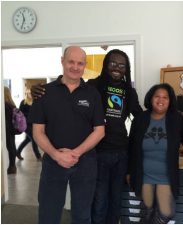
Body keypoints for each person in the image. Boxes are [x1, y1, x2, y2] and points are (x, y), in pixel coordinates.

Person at [32, 49, 143, 223]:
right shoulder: (93, 86)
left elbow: (138, 117)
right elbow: (38, 129)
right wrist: (36, 89)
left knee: (108, 202)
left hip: (111, 154)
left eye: (122, 65)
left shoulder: (122, 92)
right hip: (92, 154)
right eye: (113, 63)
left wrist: (167, 115)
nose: (117, 68)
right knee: (88, 203)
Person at [29, 46, 105, 223]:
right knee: (49, 213)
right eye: (71, 61)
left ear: (85, 65)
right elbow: (37, 131)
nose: (75, 67)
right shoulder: (44, 92)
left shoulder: (92, 94)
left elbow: (99, 131)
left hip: (85, 162)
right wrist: (56, 155)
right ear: (62, 61)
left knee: (82, 214)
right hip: (53, 162)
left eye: (80, 63)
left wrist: (75, 153)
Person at [128, 83, 183, 223]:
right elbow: (131, 147)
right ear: (150, 98)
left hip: (165, 176)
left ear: (170, 100)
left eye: (165, 97)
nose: (160, 100)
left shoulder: (176, 119)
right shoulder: (140, 119)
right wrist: (129, 171)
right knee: (148, 210)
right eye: (157, 96)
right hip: (144, 175)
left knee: (166, 213)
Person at [16, 88, 42, 160]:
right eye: (28, 93)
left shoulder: (35, 102)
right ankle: (38, 156)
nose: (30, 94)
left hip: (33, 124)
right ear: (26, 94)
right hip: (25, 125)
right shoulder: (23, 102)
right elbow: (20, 114)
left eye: (31, 93)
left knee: (27, 139)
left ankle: (18, 152)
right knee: (34, 139)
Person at [4, 86, 18, 174]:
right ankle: (12, 166)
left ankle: (12, 166)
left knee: (11, 147)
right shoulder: (11, 104)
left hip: (7, 130)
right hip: (11, 130)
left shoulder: (5, 105)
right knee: (12, 147)